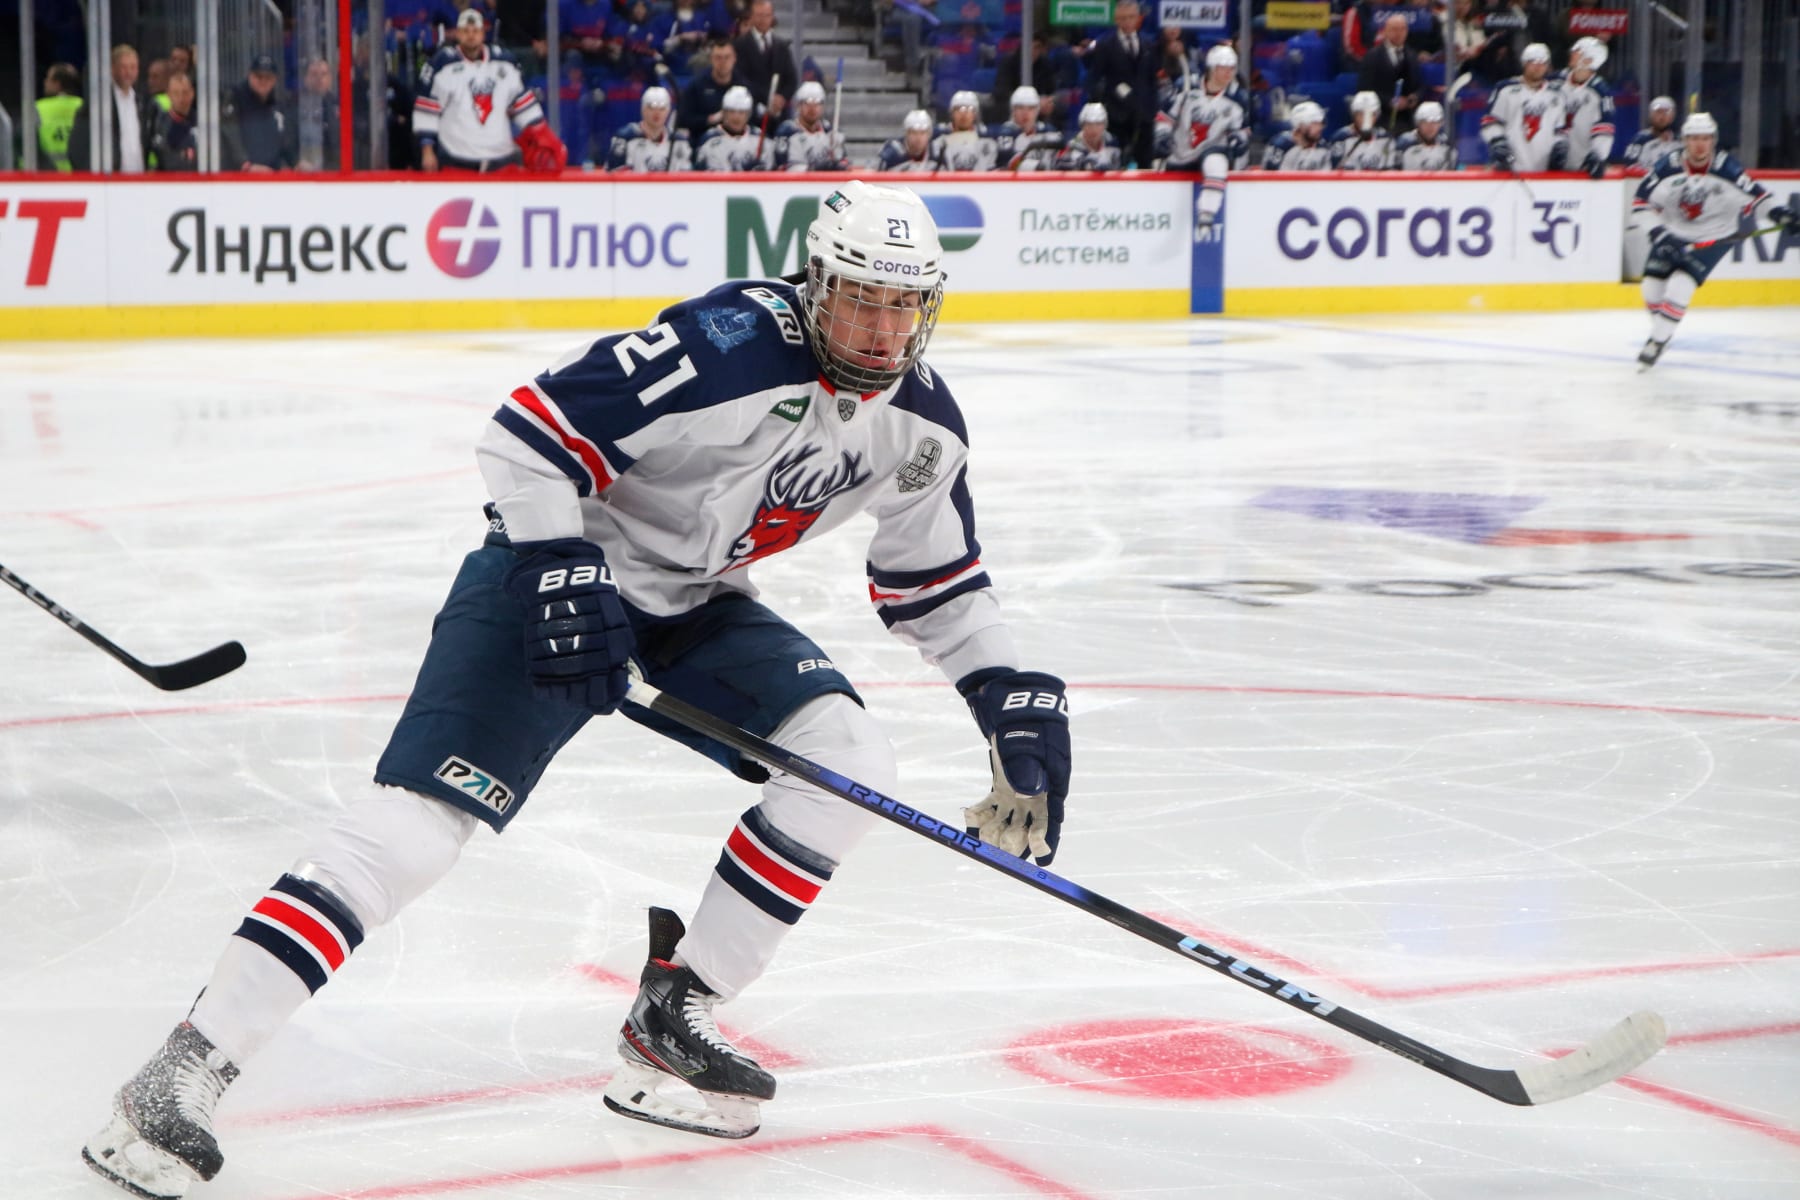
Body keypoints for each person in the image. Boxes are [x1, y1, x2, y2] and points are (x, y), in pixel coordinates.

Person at [80, 177, 1074, 1198]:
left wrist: (1006, 689)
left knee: (847, 760)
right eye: (861, 296)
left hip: (695, 602)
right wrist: (559, 564)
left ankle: (673, 1016)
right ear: (816, 284)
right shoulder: (725, 343)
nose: (881, 326)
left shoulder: (922, 427)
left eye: (905, 304)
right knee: (418, 830)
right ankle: (188, 1062)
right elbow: (527, 432)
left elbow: (939, 585)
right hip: (554, 573)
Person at [1631, 113, 1798, 369]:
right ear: (1685, 140)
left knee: (1681, 285)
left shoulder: (1728, 169)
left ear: (1714, 140)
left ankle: (1656, 343)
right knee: (1651, 288)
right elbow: (1640, 204)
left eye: (1706, 138)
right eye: (1695, 138)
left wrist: (1779, 214)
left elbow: (1759, 200)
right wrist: (1660, 234)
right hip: (1673, 233)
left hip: (1714, 237)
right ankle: (1663, 330)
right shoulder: (1667, 167)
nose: (1701, 144)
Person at [415, 10, 563, 173]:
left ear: (483, 33)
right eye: (465, 31)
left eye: (475, 31)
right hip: (456, 161)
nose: (471, 36)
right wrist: (427, 151)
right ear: (457, 34)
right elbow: (427, 110)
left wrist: (540, 132)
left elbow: (522, 104)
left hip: (500, 161)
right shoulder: (442, 63)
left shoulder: (505, 62)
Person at [1163, 44, 1248, 229]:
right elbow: (1166, 115)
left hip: (1209, 152)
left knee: (1217, 160)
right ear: (1211, 68)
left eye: (1232, 68)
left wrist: (1238, 139)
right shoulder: (1186, 86)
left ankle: (1207, 212)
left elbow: (1241, 130)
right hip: (1180, 154)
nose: (1228, 73)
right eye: (1223, 68)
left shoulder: (1237, 98)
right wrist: (1161, 133)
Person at [1086, 0, 1157, 169]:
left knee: (1145, 165)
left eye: (1131, 17)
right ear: (1116, 19)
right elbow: (1094, 79)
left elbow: (1152, 80)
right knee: (1117, 164)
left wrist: (1152, 109)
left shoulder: (1149, 44)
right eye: (1122, 18)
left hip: (1144, 117)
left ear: (1138, 18)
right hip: (1117, 117)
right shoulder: (1105, 46)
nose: (1127, 22)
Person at [1479, 42, 1567, 173]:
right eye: (1533, 62)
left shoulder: (1557, 94)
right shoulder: (1505, 89)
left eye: (1542, 63)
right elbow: (1490, 121)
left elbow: (1560, 129)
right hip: (1510, 168)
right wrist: (1497, 140)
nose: (1538, 67)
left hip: (1546, 170)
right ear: (1524, 63)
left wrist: (1560, 145)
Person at [221, 54, 296, 172]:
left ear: (275, 80)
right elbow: (230, 133)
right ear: (250, 75)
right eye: (258, 76)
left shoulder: (277, 104)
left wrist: (289, 163)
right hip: (239, 177)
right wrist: (245, 164)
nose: (263, 81)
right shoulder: (235, 97)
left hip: (270, 175)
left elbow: (283, 140)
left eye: (268, 77)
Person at [1554, 36, 1614, 178]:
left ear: (1589, 60)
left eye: (1577, 51)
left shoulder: (1600, 92)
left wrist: (1597, 156)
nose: (1572, 53)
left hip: (1580, 167)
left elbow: (1604, 131)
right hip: (1549, 162)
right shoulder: (1555, 81)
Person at [733, 0, 797, 125]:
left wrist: (782, 98)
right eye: (759, 15)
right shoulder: (739, 45)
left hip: (779, 114)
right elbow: (740, 78)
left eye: (767, 15)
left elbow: (791, 79)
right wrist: (767, 98)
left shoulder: (782, 46)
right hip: (750, 114)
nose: (763, 19)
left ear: (772, 17)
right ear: (751, 17)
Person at [1356, 12, 1419, 133]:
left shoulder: (1412, 55)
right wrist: (1389, 101)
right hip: (1381, 117)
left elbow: (1420, 85)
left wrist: (1413, 98)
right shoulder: (1372, 56)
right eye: (1394, 29)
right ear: (1385, 31)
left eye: (1402, 29)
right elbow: (1364, 88)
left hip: (1408, 118)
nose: (1398, 33)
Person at [680, 39, 748, 145]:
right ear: (711, 59)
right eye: (718, 58)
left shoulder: (743, 85)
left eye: (727, 57)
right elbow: (684, 119)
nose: (723, 62)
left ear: (734, 58)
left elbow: (753, 117)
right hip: (704, 142)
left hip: (738, 142)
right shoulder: (697, 85)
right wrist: (709, 119)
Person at [609, 85, 692, 170]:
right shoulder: (625, 138)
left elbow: (686, 175)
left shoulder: (679, 141)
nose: (657, 113)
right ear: (643, 109)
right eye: (651, 108)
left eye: (662, 108)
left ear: (668, 111)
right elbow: (613, 176)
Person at [775, 80, 849, 171]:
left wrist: (836, 165)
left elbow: (843, 163)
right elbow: (783, 168)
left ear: (822, 106)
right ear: (799, 105)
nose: (812, 108)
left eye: (817, 103)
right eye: (807, 103)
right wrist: (814, 169)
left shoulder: (831, 132)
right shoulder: (787, 132)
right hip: (796, 184)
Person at [693, 84, 773, 169]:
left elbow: (771, 172)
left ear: (748, 114)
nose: (736, 117)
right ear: (724, 113)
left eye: (741, 112)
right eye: (732, 111)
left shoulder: (760, 138)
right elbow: (699, 174)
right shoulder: (709, 140)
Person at [995, 85, 1061, 172]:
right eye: (1020, 108)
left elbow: (1062, 156)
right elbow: (1008, 163)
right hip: (1015, 183)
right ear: (1013, 110)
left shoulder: (1049, 131)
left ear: (1037, 110)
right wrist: (1033, 166)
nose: (1025, 113)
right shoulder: (1006, 133)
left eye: (1031, 108)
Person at [35, 63, 85, 173]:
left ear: (57, 84)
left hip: (47, 176)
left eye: (48, 79)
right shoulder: (84, 107)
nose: (45, 82)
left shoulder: (38, 108)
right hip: (81, 175)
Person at [931, 89, 997, 171]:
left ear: (975, 114)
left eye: (968, 109)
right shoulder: (939, 143)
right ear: (951, 113)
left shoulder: (988, 143)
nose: (963, 114)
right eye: (958, 109)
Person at [296, 57, 341, 171]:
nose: (319, 79)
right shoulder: (294, 105)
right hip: (304, 171)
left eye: (324, 74)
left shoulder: (340, 104)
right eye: (314, 74)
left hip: (335, 172)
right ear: (306, 78)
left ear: (330, 78)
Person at [1330, 90, 1394, 169]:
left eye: (1371, 115)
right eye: (1361, 114)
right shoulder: (1341, 138)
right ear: (1354, 115)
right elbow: (1336, 172)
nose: (1365, 120)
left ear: (1377, 115)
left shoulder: (1386, 138)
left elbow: (1391, 171)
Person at [150, 71, 200, 171]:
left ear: (192, 93)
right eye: (176, 93)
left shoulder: (202, 121)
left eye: (185, 92)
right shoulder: (161, 125)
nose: (181, 98)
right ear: (168, 95)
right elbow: (168, 161)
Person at [1261, 100, 1332, 170]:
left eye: (1321, 123)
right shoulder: (1281, 146)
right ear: (1301, 124)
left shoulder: (1323, 147)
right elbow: (1270, 177)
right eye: (1315, 123)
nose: (1320, 127)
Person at [1055, 102, 1121, 171]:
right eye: (1089, 124)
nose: (1093, 129)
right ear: (1082, 125)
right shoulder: (1072, 147)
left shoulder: (1112, 144)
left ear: (1105, 125)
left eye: (1098, 124)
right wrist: (1082, 163)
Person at [1623, 96, 1679, 176]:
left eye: (1666, 112)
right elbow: (1629, 166)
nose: (1662, 116)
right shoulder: (1640, 140)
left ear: (1672, 116)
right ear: (1651, 115)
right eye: (1658, 112)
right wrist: (1653, 174)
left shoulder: (1678, 141)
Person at [1393, 100, 1456, 170]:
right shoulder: (1406, 142)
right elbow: (1395, 170)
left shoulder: (1445, 143)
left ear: (1440, 123)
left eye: (1434, 122)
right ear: (1418, 123)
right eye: (1425, 123)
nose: (1430, 127)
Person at [876, 108, 937, 173]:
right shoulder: (891, 153)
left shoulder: (937, 154)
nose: (918, 138)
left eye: (922, 133)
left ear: (929, 134)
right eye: (914, 133)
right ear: (906, 134)